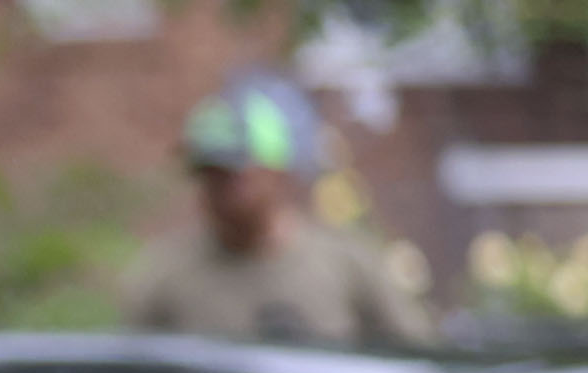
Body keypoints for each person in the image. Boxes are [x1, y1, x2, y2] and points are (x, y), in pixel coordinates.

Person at [121, 69, 435, 349]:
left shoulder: (347, 263)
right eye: (209, 172)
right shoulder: (165, 277)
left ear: (276, 168)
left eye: (234, 172)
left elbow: (419, 359)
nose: (220, 187)